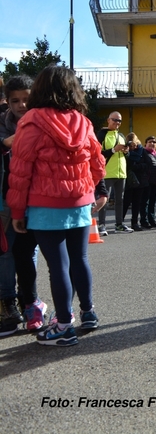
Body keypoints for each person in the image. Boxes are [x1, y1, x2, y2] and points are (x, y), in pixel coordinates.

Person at [7, 65, 106, 346]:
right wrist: (89, 189)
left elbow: (20, 171)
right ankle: (88, 313)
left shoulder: (31, 121)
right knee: (80, 260)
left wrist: (17, 211)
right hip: (80, 203)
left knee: (58, 267)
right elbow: (98, 164)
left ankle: (63, 325)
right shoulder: (83, 122)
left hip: (44, 204)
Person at [0, 75, 47, 335]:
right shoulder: (2, 122)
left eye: (26, 99)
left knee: (28, 251)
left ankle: (29, 301)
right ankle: (7, 303)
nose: (21, 105)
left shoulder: (43, 120)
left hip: (34, 197)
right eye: (14, 100)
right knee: (5, 252)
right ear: (7, 101)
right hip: (5, 197)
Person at [96, 111, 132, 234]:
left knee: (120, 200)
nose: (117, 123)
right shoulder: (101, 135)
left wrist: (126, 151)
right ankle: (101, 225)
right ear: (108, 120)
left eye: (119, 121)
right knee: (104, 200)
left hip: (121, 172)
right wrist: (113, 150)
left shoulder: (121, 135)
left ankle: (119, 224)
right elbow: (97, 154)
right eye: (115, 120)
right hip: (107, 173)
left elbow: (125, 154)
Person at [121, 133, 147, 231]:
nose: (133, 147)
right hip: (128, 180)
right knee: (126, 202)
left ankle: (134, 222)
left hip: (139, 180)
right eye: (131, 145)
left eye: (134, 145)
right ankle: (120, 222)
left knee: (137, 203)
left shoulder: (142, 151)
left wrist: (137, 167)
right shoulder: (125, 152)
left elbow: (146, 163)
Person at [140, 136, 156, 229]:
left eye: (154, 142)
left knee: (152, 202)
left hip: (155, 181)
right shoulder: (143, 152)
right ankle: (144, 221)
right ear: (145, 143)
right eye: (150, 142)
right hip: (146, 181)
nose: (152, 144)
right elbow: (142, 165)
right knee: (145, 202)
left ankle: (152, 220)